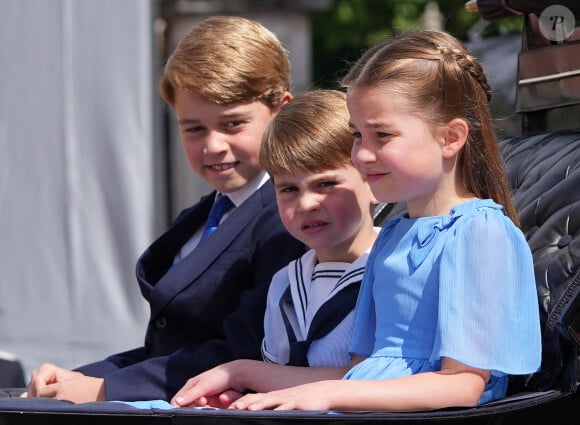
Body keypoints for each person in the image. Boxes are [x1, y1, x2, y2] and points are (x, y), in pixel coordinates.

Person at [172, 29, 542, 412]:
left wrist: (328, 395)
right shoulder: (395, 235)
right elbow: (360, 374)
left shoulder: (478, 232)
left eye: (382, 135)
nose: (362, 155)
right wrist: (244, 376)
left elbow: (463, 384)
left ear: (450, 137)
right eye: (357, 135)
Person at [24, 15, 305, 403]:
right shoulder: (203, 215)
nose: (213, 146)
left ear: (280, 112)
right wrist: (76, 377)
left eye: (233, 124)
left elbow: (250, 348)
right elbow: (168, 349)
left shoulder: (292, 218)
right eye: (194, 128)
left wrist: (106, 388)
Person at [170, 89, 379, 409]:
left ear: (373, 182)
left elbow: (386, 381)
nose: (307, 203)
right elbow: (282, 379)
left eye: (326, 184)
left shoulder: (397, 269)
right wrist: (247, 394)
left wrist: (246, 373)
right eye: (288, 189)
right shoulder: (285, 285)